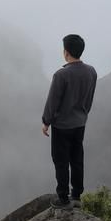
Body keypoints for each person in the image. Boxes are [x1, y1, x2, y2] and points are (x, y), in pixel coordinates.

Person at [41, 34, 97, 210]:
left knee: (61, 161)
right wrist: (83, 113)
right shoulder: (91, 71)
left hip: (62, 126)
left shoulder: (61, 75)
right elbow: (89, 99)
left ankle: (63, 198)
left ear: (66, 52)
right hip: (80, 123)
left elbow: (53, 101)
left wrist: (46, 121)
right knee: (77, 158)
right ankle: (77, 195)